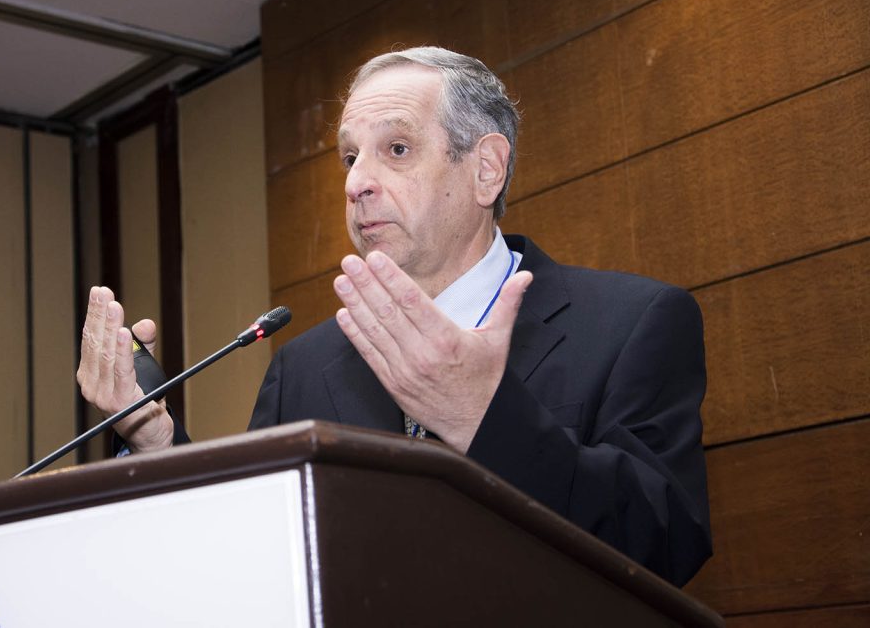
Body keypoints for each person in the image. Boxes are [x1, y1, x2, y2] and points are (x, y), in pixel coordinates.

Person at [77, 47, 712, 586]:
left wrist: (483, 418)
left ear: (485, 169)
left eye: (397, 148)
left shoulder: (631, 322)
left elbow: (665, 543)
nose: (356, 183)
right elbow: (248, 562)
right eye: (350, 158)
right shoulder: (304, 365)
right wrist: (153, 439)